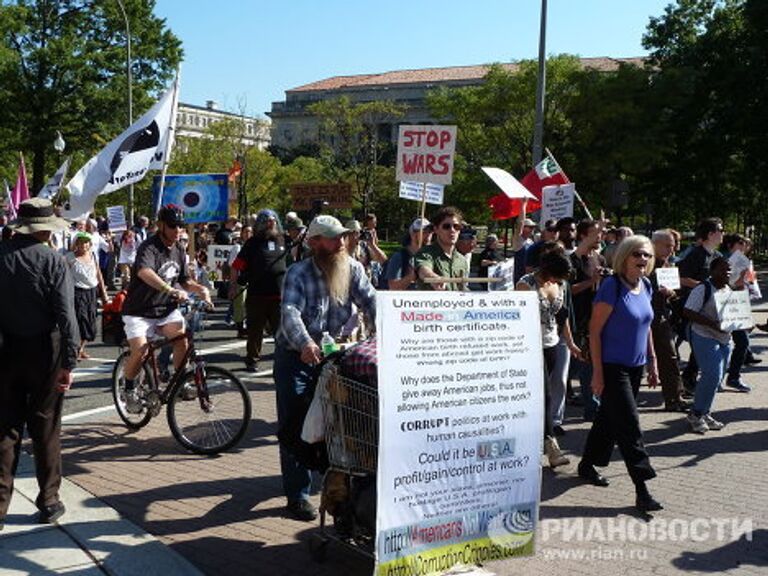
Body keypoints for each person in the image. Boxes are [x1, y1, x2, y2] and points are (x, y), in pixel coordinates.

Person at [274, 215, 376, 521]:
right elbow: (290, 312)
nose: (341, 243)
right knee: (296, 425)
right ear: (314, 243)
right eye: (333, 238)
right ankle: (297, 495)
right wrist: (305, 343)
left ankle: (338, 484)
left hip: (334, 356)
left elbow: (371, 302)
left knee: (341, 421)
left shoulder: (352, 268)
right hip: (297, 356)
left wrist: (387, 331)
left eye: (342, 237)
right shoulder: (298, 273)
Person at [0, 198, 80, 527]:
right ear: (46, 229)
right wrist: (70, 361)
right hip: (46, 351)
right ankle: (48, 500)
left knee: (4, 429)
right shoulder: (53, 260)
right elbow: (66, 315)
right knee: (46, 426)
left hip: (3, 349)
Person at [578, 235, 663, 513]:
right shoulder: (611, 287)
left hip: (636, 366)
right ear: (624, 256)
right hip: (613, 368)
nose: (643, 260)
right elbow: (594, 331)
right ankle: (642, 488)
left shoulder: (646, 285)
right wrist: (597, 374)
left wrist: (652, 361)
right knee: (629, 424)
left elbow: (646, 325)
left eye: (647, 256)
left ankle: (587, 463)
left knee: (608, 420)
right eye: (637, 254)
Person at [120, 205, 212, 413]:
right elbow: (144, 272)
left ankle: (181, 382)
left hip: (165, 309)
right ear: (161, 225)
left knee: (182, 340)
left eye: (180, 226)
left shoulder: (179, 249)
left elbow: (185, 280)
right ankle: (129, 389)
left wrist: (201, 290)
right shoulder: (149, 247)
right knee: (141, 352)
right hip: (139, 311)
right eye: (172, 226)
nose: (177, 230)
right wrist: (170, 290)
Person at [516, 250, 581, 468]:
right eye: (555, 276)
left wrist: (570, 343)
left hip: (552, 344)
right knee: (545, 395)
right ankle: (552, 446)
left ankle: (532, 439)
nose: (557, 281)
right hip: (532, 347)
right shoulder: (526, 285)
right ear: (546, 270)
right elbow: (518, 320)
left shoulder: (559, 284)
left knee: (543, 395)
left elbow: (562, 316)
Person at [230, 209, 286, 373]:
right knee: (255, 331)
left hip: (279, 296)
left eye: (273, 221)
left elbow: (292, 264)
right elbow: (236, 266)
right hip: (257, 295)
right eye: (268, 222)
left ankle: (283, 360)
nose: (271, 224)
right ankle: (252, 360)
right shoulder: (252, 243)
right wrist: (233, 287)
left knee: (282, 332)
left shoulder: (283, 240)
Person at [683, 257, 735, 433]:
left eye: (729, 270)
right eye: (723, 269)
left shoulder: (729, 289)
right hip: (703, 334)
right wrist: (713, 324)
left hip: (724, 338)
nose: (727, 273)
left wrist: (744, 324)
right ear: (712, 271)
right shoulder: (703, 288)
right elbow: (688, 311)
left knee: (717, 378)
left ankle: (705, 412)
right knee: (711, 374)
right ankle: (695, 414)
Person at [678, 218, 724, 392]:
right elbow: (681, 278)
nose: (723, 234)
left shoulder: (718, 256)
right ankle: (689, 379)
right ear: (711, 234)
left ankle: (692, 377)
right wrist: (703, 287)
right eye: (721, 230)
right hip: (693, 309)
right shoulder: (695, 255)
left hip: (712, 309)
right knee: (699, 343)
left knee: (704, 343)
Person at [649, 229, 690, 412]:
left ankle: (674, 397)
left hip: (661, 317)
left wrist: (671, 293)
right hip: (643, 318)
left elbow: (675, 293)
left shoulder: (667, 265)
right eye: (667, 246)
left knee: (669, 356)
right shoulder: (644, 264)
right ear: (654, 244)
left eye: (672, 247)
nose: (671, 251)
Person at [67, 232, 109, 360]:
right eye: (81, 242)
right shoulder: (70, 258)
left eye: (86, 242)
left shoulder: (92, 256)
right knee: (81, 321)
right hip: (77, 292)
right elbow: (61, 274)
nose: (84, 245)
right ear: (76, 244)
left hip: (92, 292)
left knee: (91, 321)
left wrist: (104, 294)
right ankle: (76, 350)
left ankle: (80, 349)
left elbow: (99, 275)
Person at [414, 206, 469, 291]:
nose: (452, 230)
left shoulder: (462, 260)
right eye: (446, 226)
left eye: (456, 226)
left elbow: (462, 289)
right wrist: (434, 278)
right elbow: (423, 270)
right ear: (436, 229)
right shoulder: (425, 253)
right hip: (433, 303)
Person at [384, 218, 432, 290]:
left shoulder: (431, 257)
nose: (428, 235)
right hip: (407, 300)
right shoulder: (399, 257)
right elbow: (393, 287)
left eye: (430, 232)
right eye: (424, 231)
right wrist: (412, 276)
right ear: (413, 234)